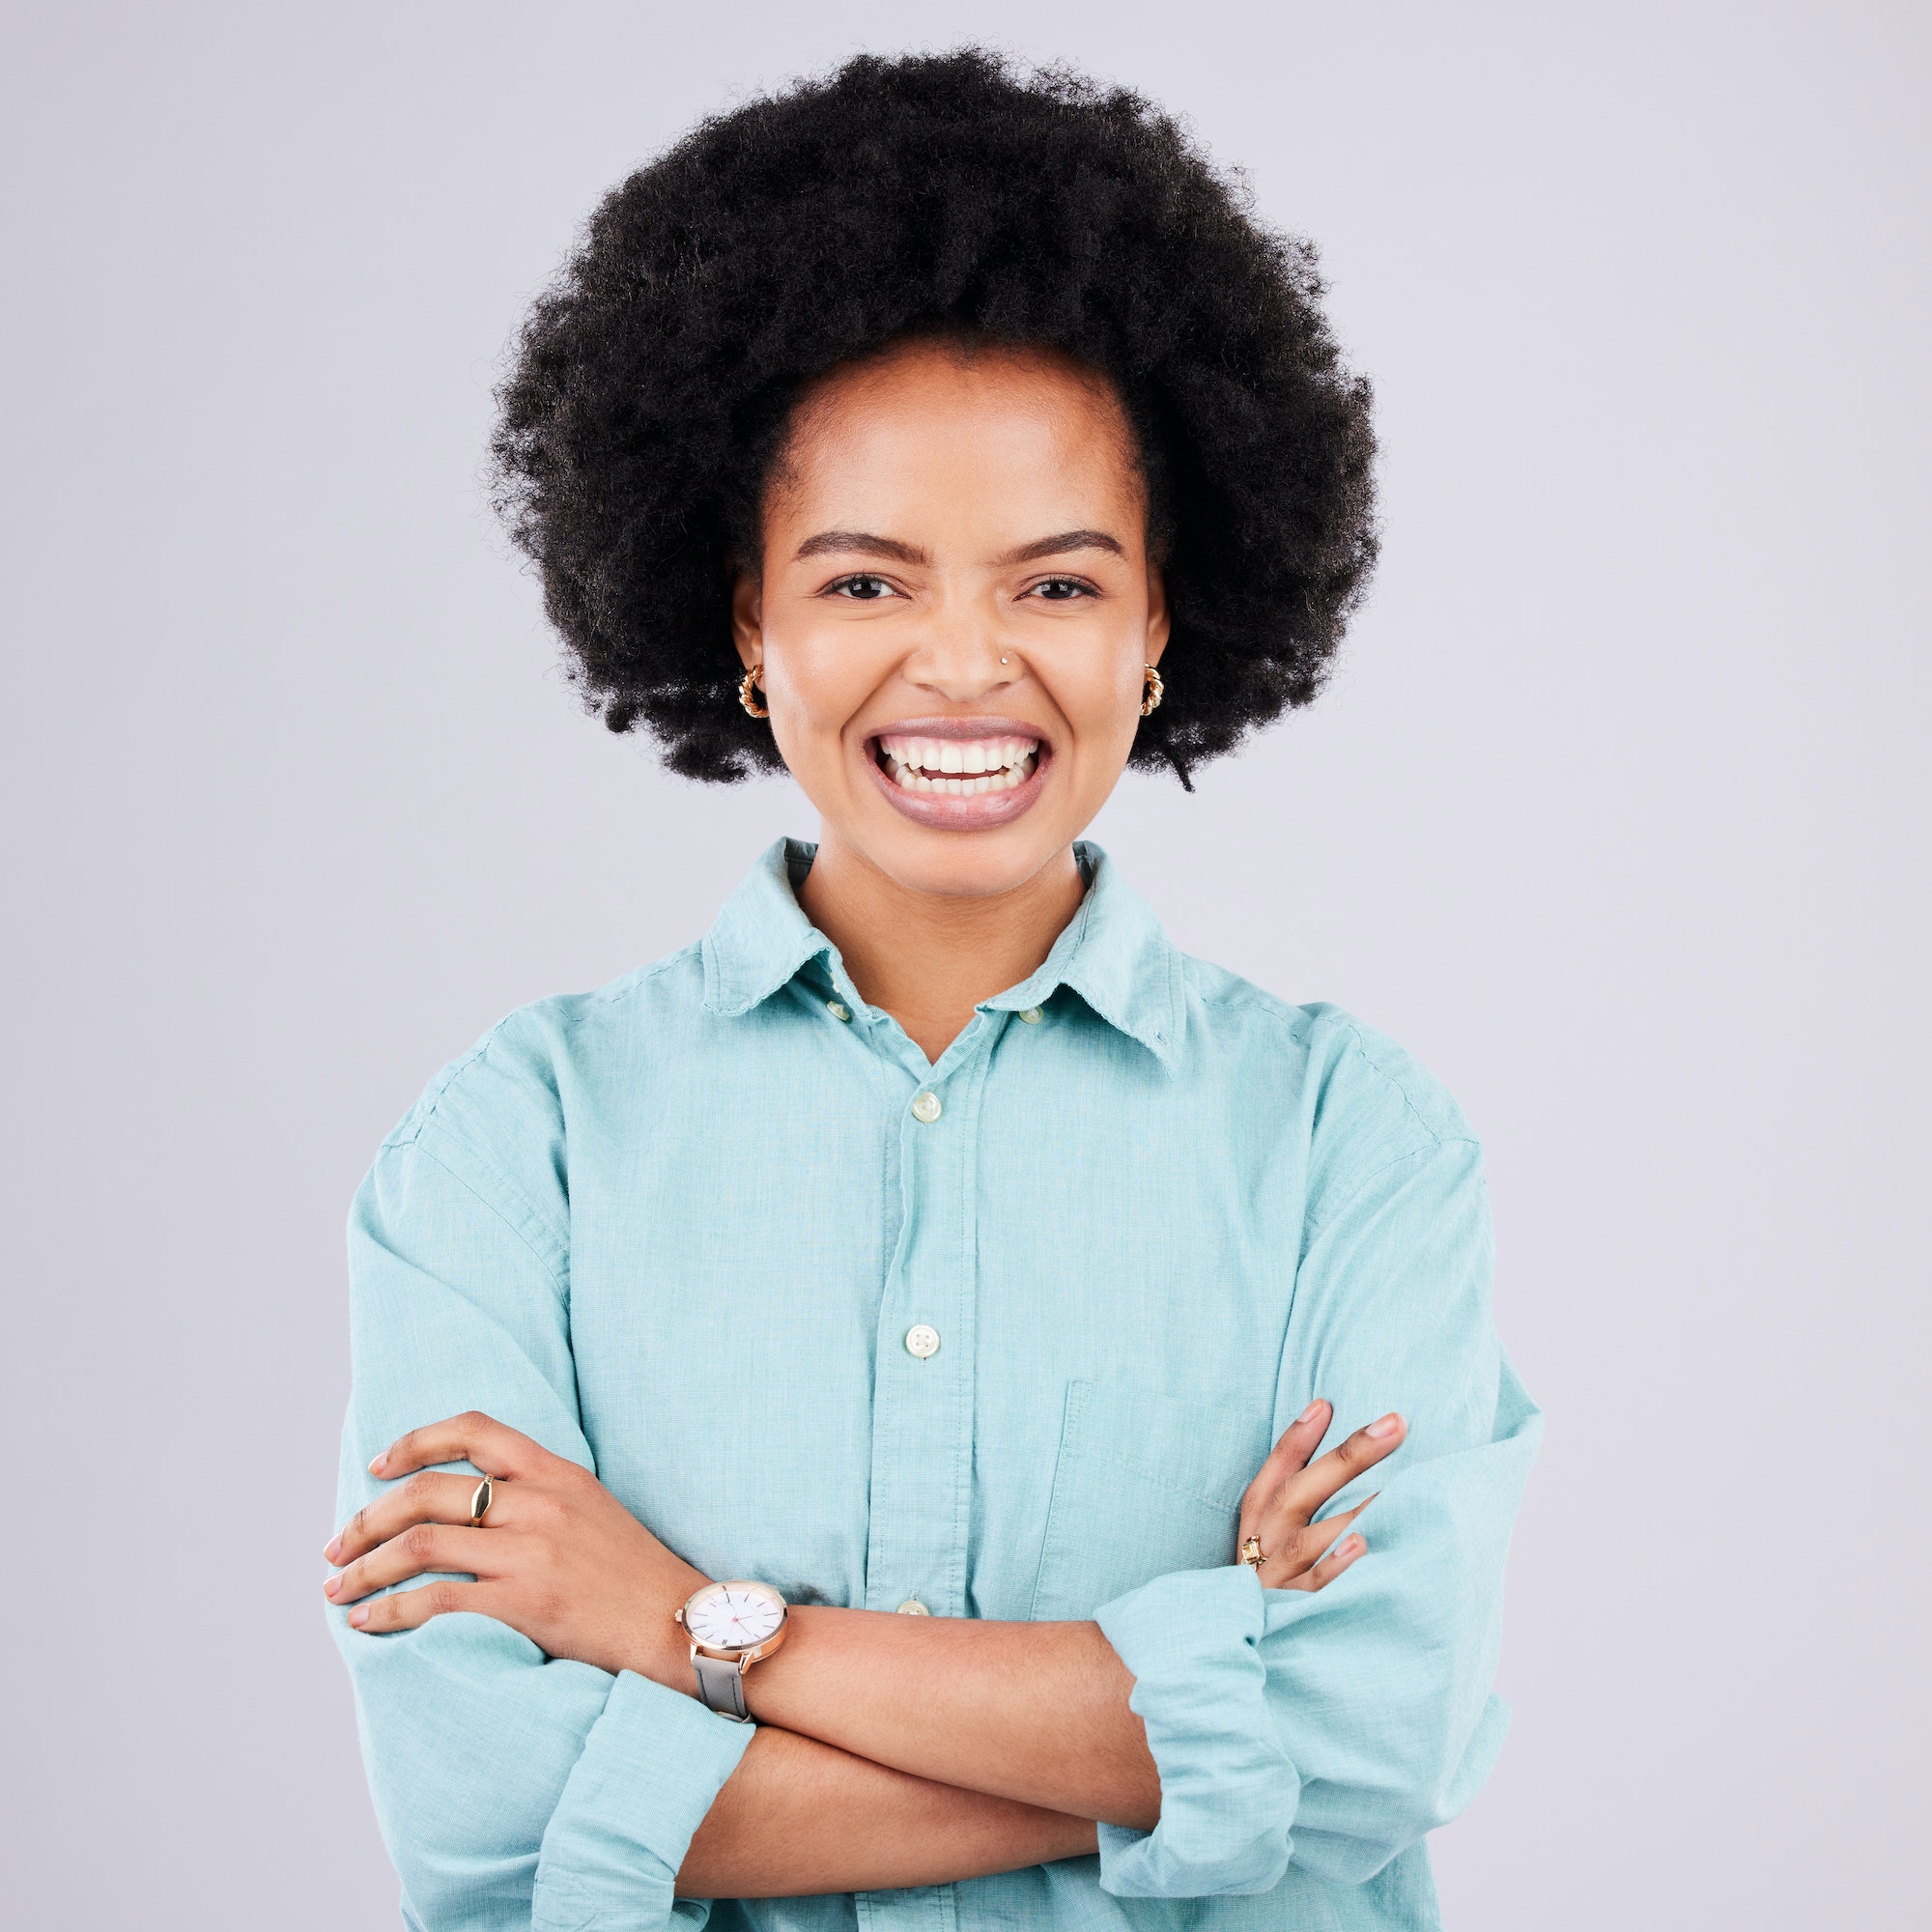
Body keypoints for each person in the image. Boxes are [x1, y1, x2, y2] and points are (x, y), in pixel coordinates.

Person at [324, 47, 1539, 1932]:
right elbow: (483, 1810)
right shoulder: (518, 1147)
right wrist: (1192, 1719)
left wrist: (684, 1628)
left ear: (1158, 624)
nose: (962, 668)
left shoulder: (1344, 1144)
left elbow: (1384, 1731)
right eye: (866, 582)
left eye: (1053, 586)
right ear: (746, 622)